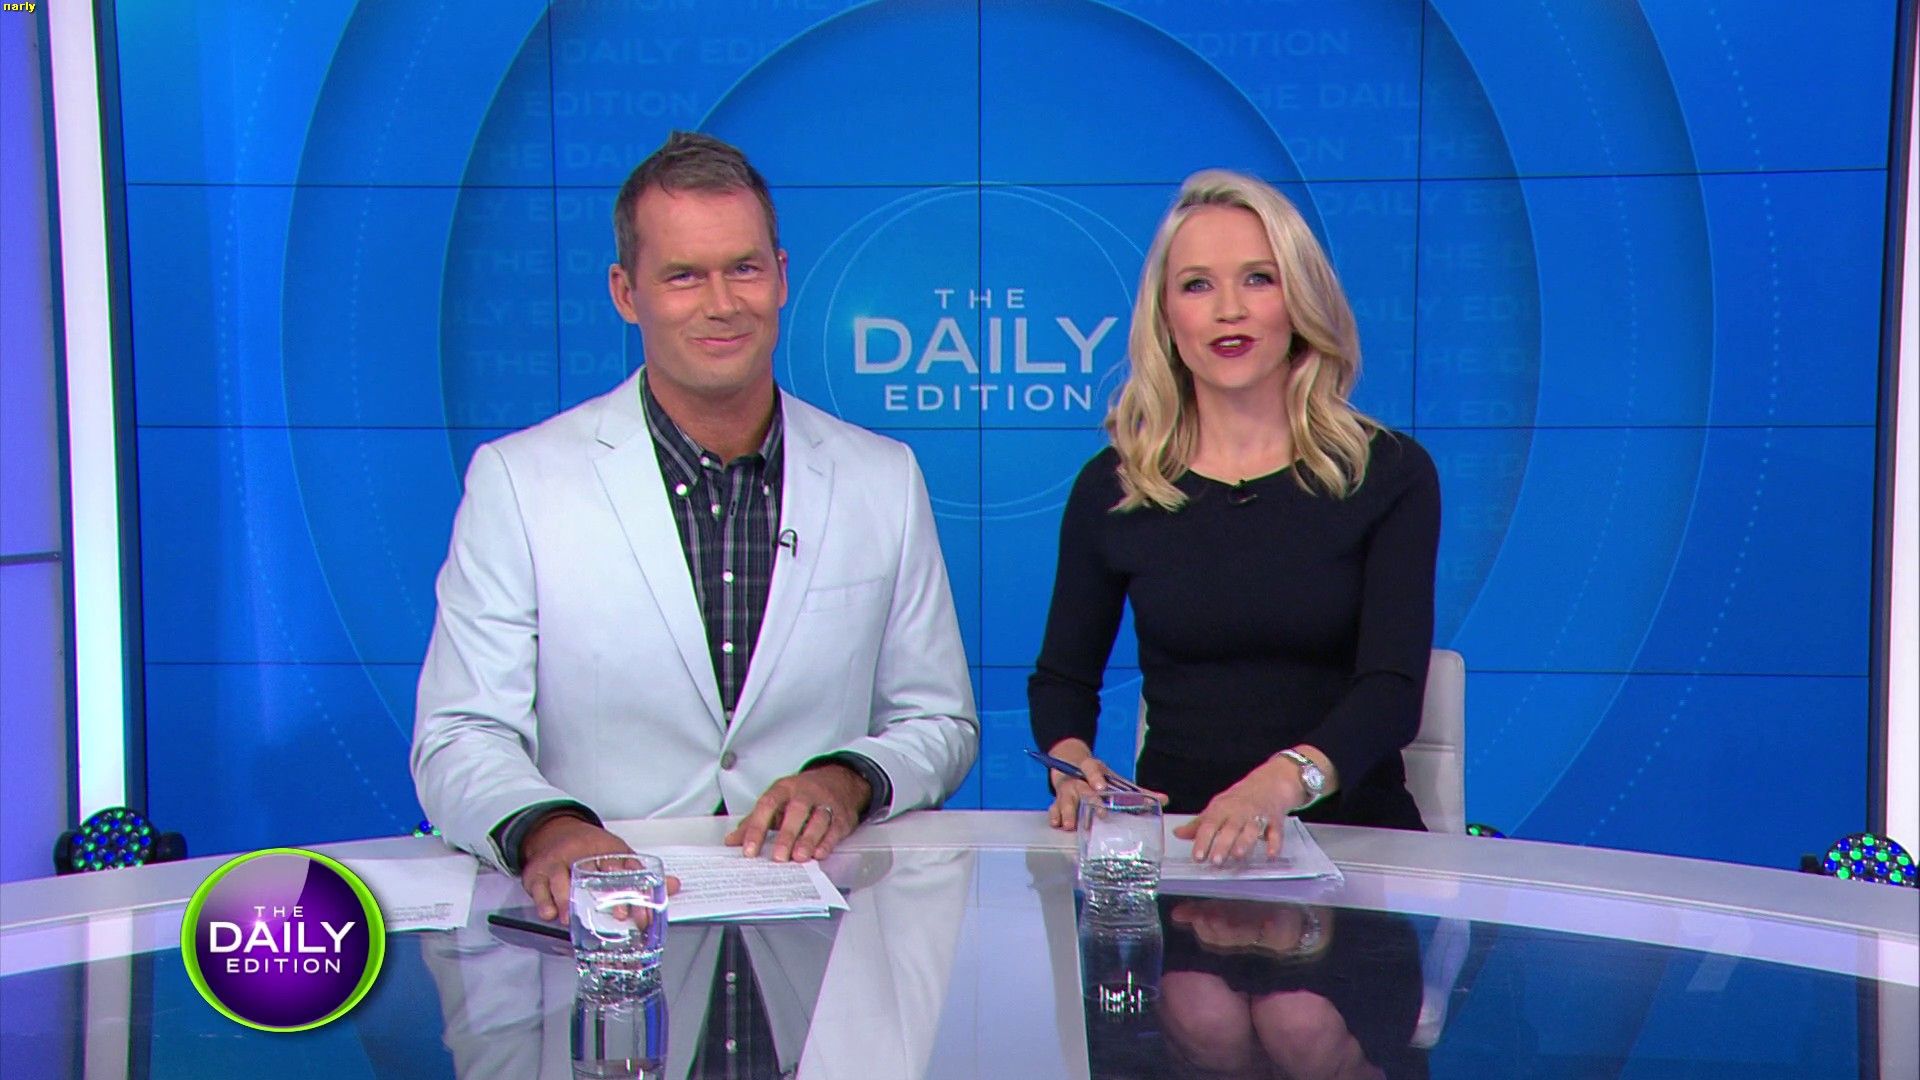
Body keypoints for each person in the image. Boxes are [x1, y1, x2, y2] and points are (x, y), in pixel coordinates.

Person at [412, 131, 978, 920]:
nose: (721, 304)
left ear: (782, 276)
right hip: (605, 925)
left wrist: (848, 779)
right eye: (683, 276)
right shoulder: (521, 481)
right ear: (625, 293)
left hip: (828, 926)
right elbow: (460, 734)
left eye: (744, 268)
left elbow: (939, 721)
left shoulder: (882, 479)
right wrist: (550, 829)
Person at [1029, 169, 1439, 864]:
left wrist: (1277, 785)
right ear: (1166, 316)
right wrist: (1072, 766)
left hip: (1354, 846)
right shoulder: (1119, 485)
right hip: (1183, 846)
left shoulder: (1386, 473)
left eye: (1258, 279)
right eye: (1197, 285)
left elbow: (1392, 692)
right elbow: (1063, 681)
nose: (1229, 310)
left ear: (1299, 297)